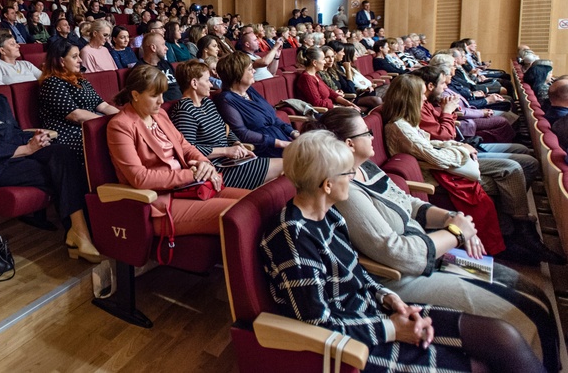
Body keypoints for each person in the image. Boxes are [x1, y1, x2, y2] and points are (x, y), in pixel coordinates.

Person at [260, 130, 546, 373]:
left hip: (383, 307)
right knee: (488, 357)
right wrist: (394, 328)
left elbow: (359, 273)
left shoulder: (331, 214)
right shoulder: (292, 235)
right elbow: (317, 321)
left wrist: (392, 301)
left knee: (502, 332)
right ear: (328, 184)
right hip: (357, 338)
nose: (354, 176)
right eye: (349, 173)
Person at [383, 74, 564, 266]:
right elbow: (436, 156)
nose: (424, 99)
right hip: (437, 177)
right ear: (409, 98)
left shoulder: (405, 123)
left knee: (512, 173)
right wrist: (462, 150)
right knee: (510, 175)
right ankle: (514, 232)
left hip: (445, 167)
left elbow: (431, 143)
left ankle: (513, 230)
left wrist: (458, 147)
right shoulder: (399, 127)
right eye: (420, 95)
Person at [0, 54, 100, 263]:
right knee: (61, 171)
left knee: (64, 153)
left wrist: (35, 137)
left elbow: (15, 132)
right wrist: (27, 149)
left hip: (21, 152)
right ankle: (80, 233)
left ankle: (78, 231)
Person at [107, 64, 249, 238]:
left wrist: (204, 163)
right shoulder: (120, 126)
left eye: (162, 94)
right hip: (160, 201)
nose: (161, 100)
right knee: (241, 213)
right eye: (154, 96)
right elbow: (139, 178)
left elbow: (185, 145)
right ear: (135, 95)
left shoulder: (159, 115)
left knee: (255, 202)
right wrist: (192, 175)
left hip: (190, 187)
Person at [170, 60, 283, 190]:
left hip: (230, 162)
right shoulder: (184, 110)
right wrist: (226, 151)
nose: (211, 84)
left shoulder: (207, 103)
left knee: (286, 171)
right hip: (215, 168)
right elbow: (189, 151)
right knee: (288, 166)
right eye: (207, 80)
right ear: (194, 83)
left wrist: (237, 144)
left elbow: (226, 129)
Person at [38, 39, 119, 163]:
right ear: (61, 61)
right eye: (75, 57)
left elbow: (103, 106)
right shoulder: (52, 82)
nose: (80, 60)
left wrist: (123, 118)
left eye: (79, 56)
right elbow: (75, 115)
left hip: (92, 125)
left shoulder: (81, 80)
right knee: (114, 137)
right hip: (69, 134)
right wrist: (107, 122)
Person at [215, 52, 297, 158]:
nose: (254, 71)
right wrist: (280, 143)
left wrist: (293, 133)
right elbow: (242, 133)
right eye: (250, 69)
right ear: (237, 74)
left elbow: (273, 118)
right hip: (263, 147)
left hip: (282, 140)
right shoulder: (226, 99)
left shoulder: (251, 91)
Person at [136, 33, 181, 102]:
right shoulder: (140, 70)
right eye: (163, 45)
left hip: (181, 103)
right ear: (153, 48)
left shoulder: (166, 64)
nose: (167, 48)